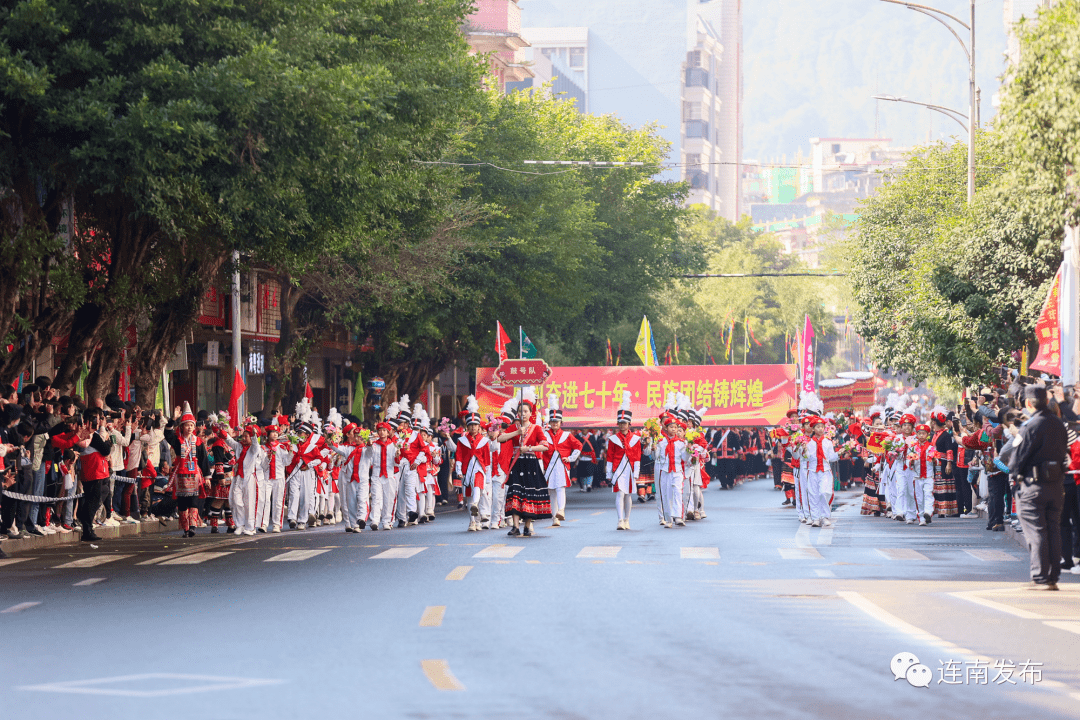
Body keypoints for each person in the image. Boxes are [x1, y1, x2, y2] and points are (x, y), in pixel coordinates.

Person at [1007, 385, 1069, 591]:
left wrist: (1015, 475)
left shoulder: (1030, 427)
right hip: (1056, 484)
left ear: (1027, 403)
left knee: (1036, 532)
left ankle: (1041, 577)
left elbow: (1017, 459)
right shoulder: (1058, 424)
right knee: (1053, 529)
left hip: (1033, 486)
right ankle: (1052, 576)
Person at [498, 389, 551, 537]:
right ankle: (515, 526)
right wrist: (516, 433)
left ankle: (527, 525)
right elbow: (500, 438)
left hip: (531, 464)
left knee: (529, 494)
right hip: (517, 464)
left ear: (530, 412)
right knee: (515, 492)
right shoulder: (514, 427)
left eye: (526, 411)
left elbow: (545, 446)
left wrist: (529, 448)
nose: (523, 414)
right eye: (521, 411)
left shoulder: (536, 428)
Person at [163, 403, 209, 538]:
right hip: (181, 476)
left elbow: (204, 460)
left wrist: (207, 477)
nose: (189, 428)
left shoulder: (198, 442)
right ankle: (186, 528)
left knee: (194, 500)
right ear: (182, 426)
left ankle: (193, 526)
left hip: (194, 475)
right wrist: (173, 419)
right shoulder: (177, 441)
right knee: (183, 503)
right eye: (187, 425)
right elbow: (167, 433)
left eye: (191, 425)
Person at [542, 393, 581, 527]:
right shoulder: (544, 434)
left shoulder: (567, 435)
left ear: (561, 423)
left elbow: (578, 446)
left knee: (560, 488)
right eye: (552, 422)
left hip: (562, 466)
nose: (554, 424)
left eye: (556, 422)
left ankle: (561, 510)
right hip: (548, 467)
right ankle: (555, 517)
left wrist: (570, 458)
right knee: (552, 491)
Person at [455, 396, 491, 532]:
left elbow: (487, 459)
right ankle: (472, 522)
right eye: (470, 425)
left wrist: (487, 474)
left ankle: (476, 505)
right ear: (467, 426)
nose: (473, 428)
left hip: (479, 469)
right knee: (469, 495)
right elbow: (458, 456)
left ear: (479, 426)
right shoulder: (462, 441)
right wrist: (458, 470)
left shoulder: (484, 441)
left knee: (477, 486)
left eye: (475, 425)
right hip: (466, 470)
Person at [606, 391, 641, 530]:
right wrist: (609, 473)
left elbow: (637, 456)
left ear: (629, 423)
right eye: (620, 423)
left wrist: (636, 472)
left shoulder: (635, 439)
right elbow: (609, 456)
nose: (622, 425)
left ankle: (627, 519)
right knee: (620, 493)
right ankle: (620, 520)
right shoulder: (613, 439)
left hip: (630, 468)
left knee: (628, 495)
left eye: (624, 423)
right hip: (618, 469)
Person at [655, 395, 689, 528]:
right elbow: (656, 456)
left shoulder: (681, 443)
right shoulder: (661, 441)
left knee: (677, 492)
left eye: (675, 427)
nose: (673, 430)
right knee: (666, 494)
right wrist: (653, 447)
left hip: (677, 471)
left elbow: (685, 459)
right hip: (664, 471)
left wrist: (688, 450)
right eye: (671, 427)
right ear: (666, 428)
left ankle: (678, 517)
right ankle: (668, 519)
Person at [802, 416, 838, 527]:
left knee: (824, 492)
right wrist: (804, 450)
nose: (821, 429)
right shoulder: (808, 443)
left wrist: (840, 453)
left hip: (825, 471)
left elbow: (831, 458)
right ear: (813, 429)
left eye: (822, 427)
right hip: (812, 471)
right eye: (818, 427)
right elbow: (806, 458)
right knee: (813, 495)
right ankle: (815, 518)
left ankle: (825, 516)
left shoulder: (828, 442)